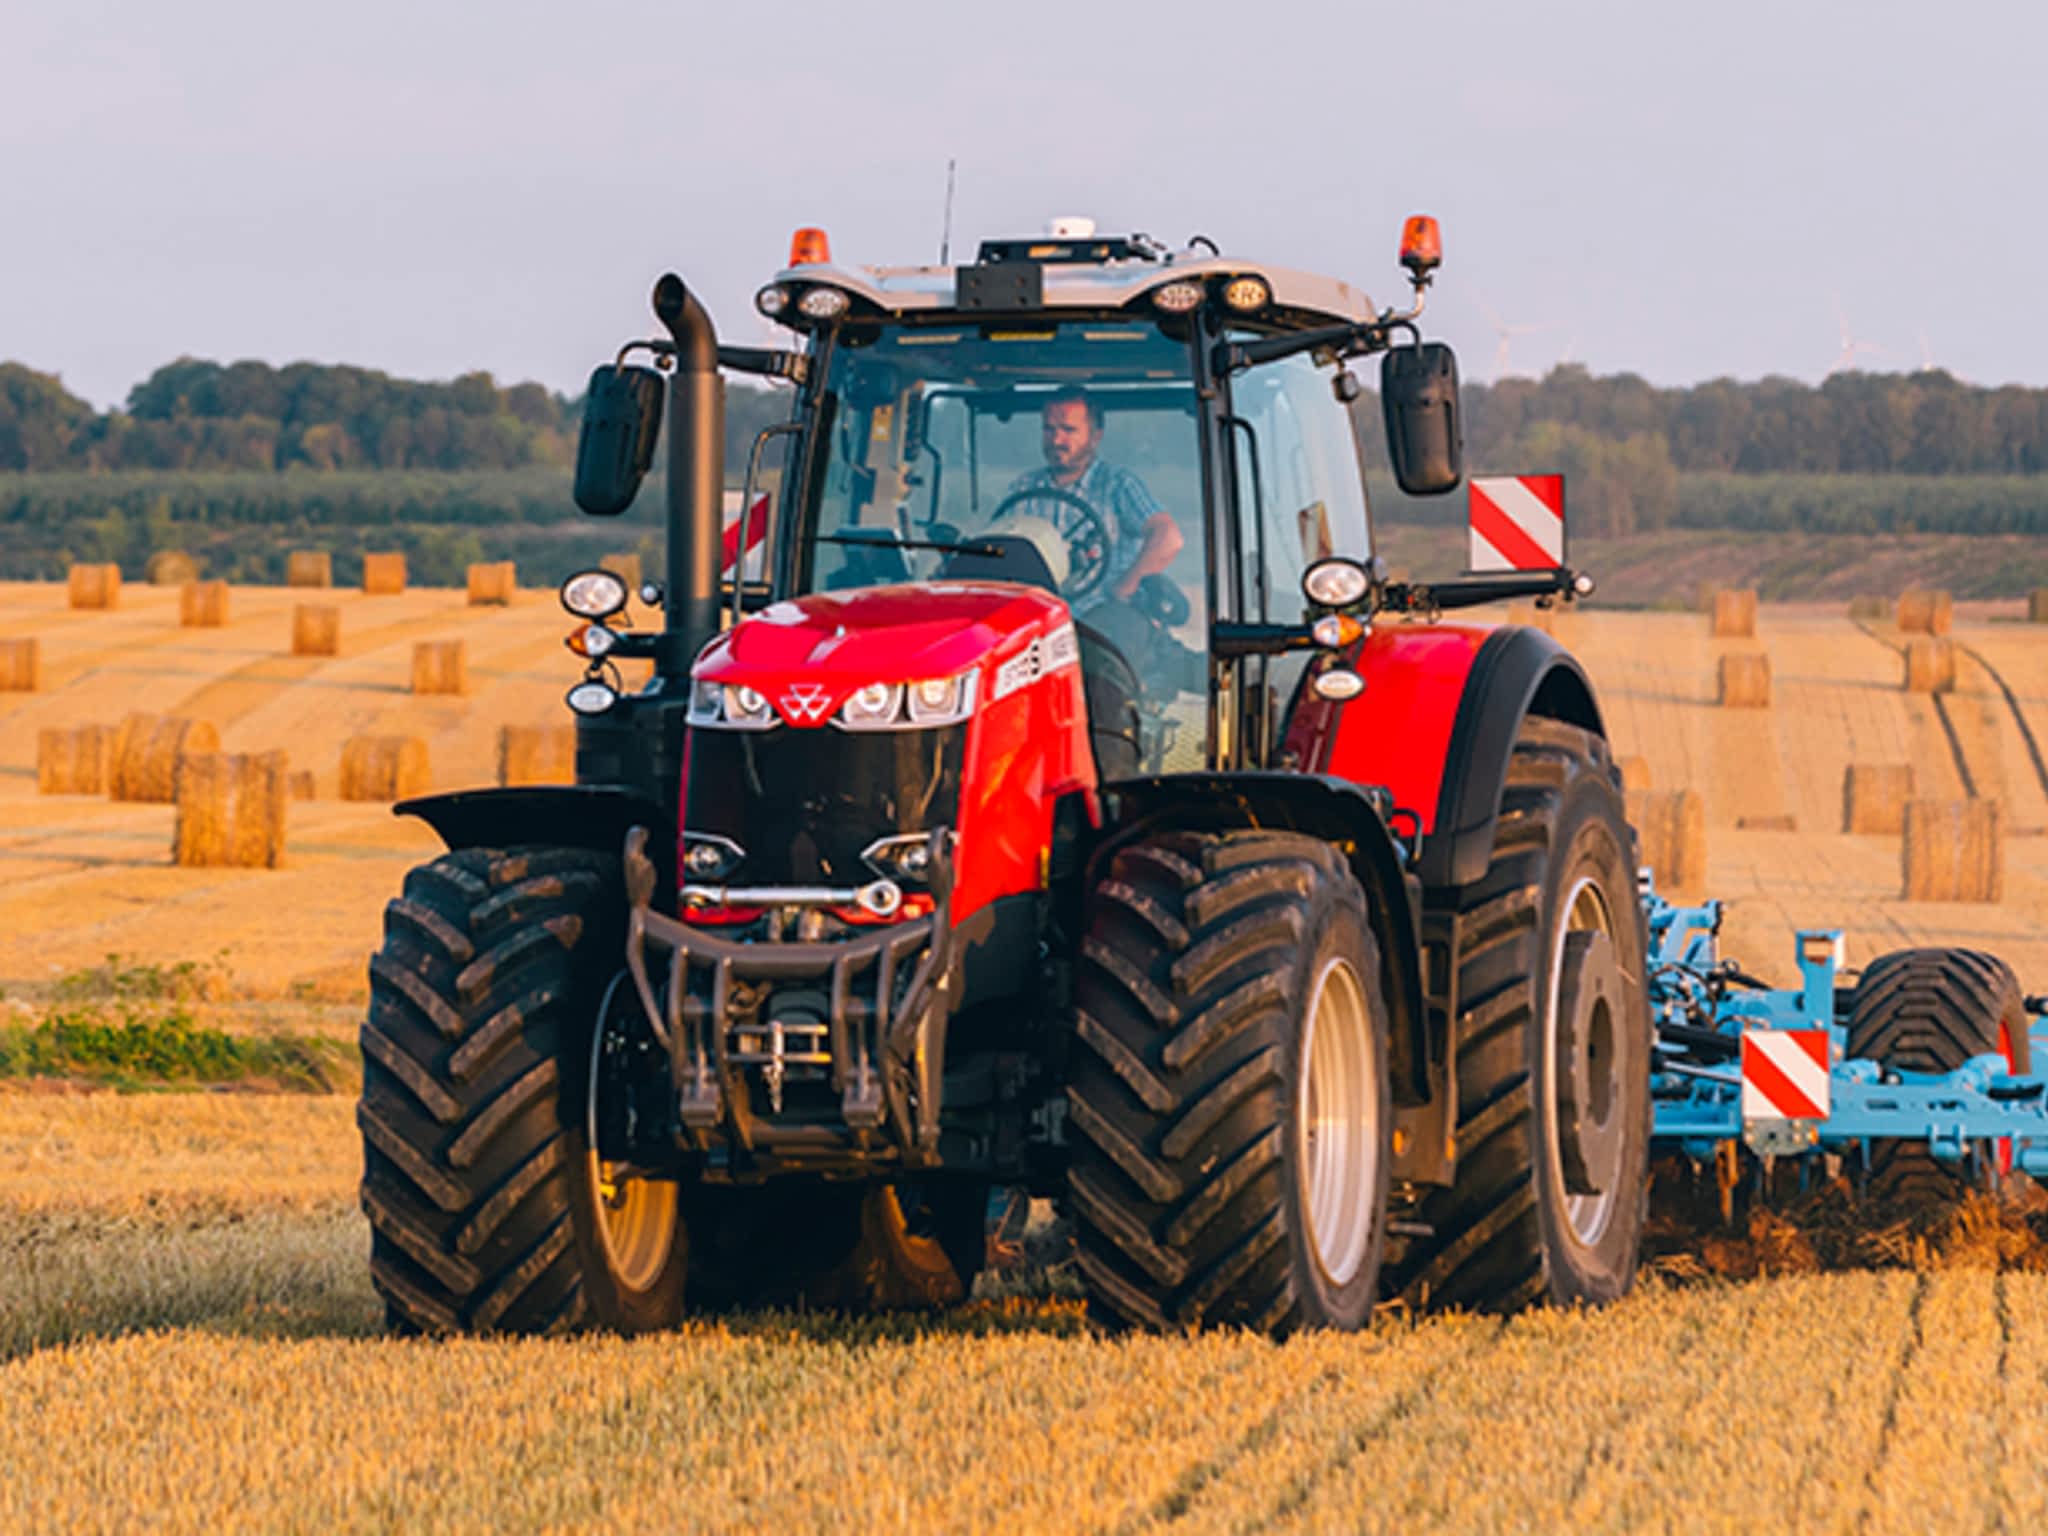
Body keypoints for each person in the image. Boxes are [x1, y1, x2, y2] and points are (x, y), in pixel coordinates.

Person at [997, 388, 1183, 604]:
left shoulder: (1117, 485)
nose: (1056, 440)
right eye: (1049, 429)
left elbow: (1168, 537)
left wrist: (1125, 588)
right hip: (1040, 619)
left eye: (1068, 430)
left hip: (1102, 625)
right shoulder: (1023, 489)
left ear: (1095, 436)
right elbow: (999, 552)